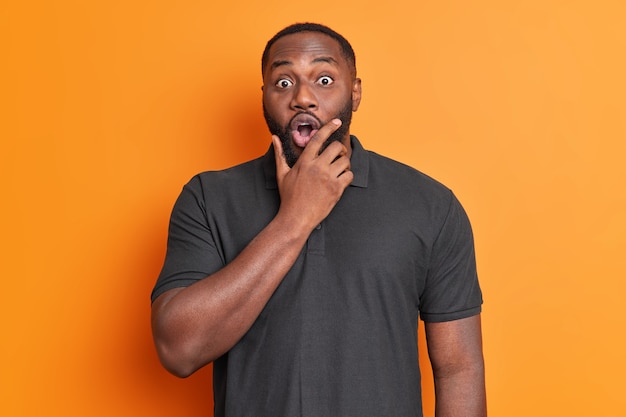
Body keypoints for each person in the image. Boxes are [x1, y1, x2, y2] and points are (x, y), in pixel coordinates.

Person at [151, 22, 486, 417]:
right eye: (283, 83)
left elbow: (458, 369)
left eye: (324, 79)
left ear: (355, 92)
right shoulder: (208, 198)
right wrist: (295, 218)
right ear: (264, 97)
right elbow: (178, 350)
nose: (303, 97)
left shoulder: (430, 205)